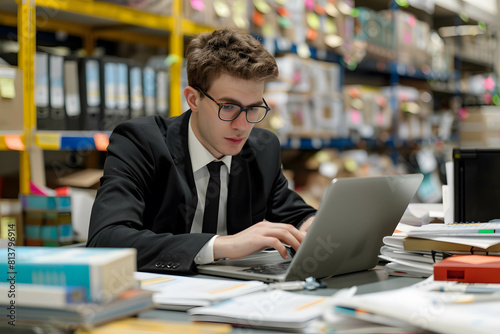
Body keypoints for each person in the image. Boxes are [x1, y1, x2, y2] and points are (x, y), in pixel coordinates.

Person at [87, 28, 316, 274]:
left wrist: (311, 226)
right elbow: (106, 239)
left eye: (253, 109)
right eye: (228, 107)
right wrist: (219, 246)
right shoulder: (141, 143)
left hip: (240, 300)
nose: (242, 126)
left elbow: (296, 213)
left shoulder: (261, 149)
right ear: (193, 99)